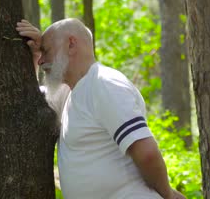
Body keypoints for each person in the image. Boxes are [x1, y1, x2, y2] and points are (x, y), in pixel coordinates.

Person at [16, 18, 185, 199]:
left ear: (71, 44)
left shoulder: (104, 84)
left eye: (46, 51)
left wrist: (168, 195)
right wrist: (33, 55)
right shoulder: (69, 93)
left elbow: (147, 153)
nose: (42, 62)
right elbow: (28, 105)